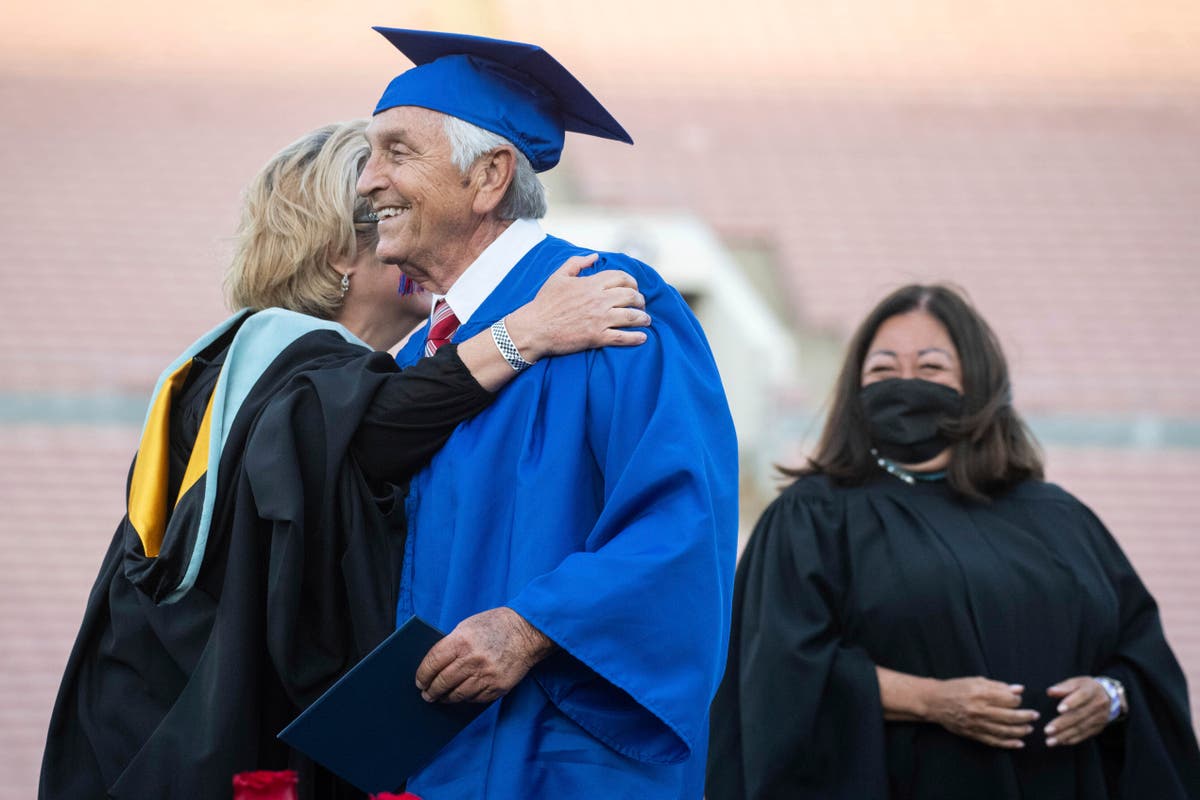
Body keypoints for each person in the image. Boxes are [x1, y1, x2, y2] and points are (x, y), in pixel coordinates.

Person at [38, 120, 651, 800]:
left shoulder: (230, 362)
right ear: (338, 255)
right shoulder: (284, 355)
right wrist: (525, 333)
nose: (410, 247)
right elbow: (370, 428)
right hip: (205, 748)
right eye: (387, 225)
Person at [355, 28, 739, 798]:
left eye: (396, 152)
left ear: (490, 175)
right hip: (421, 758)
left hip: (555, 756)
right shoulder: (421, 359)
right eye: (370, 156)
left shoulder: (614, 307)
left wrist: (530, 627)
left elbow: (681, 524)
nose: (367, 182)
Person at [707, 283, 1200, 799]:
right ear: (856, 389)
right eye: (882, 370)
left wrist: (1111, 696)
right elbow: (779, 674)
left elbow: (1142, 652)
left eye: (931, 368)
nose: (906, 384)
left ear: (978, 381)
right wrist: (931, 700)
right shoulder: (814, 518)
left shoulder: (1060, 518)